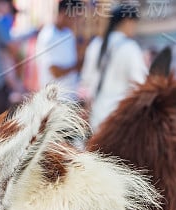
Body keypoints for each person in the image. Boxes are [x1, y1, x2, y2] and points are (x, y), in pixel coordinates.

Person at [86, 3, 147, 132]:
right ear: (127, 22)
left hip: (96, 116)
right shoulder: (130, 48)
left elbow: (86, 82)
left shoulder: (95, 45)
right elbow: (140, 84)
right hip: (119, 120)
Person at [35, 0, 84, 99]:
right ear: (63, 13)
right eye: (74, 16)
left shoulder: (68, 33)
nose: (76, 20)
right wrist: (78, 66)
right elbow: (55, 72)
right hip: (54, 99)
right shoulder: (48, 36)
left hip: (69, 97)